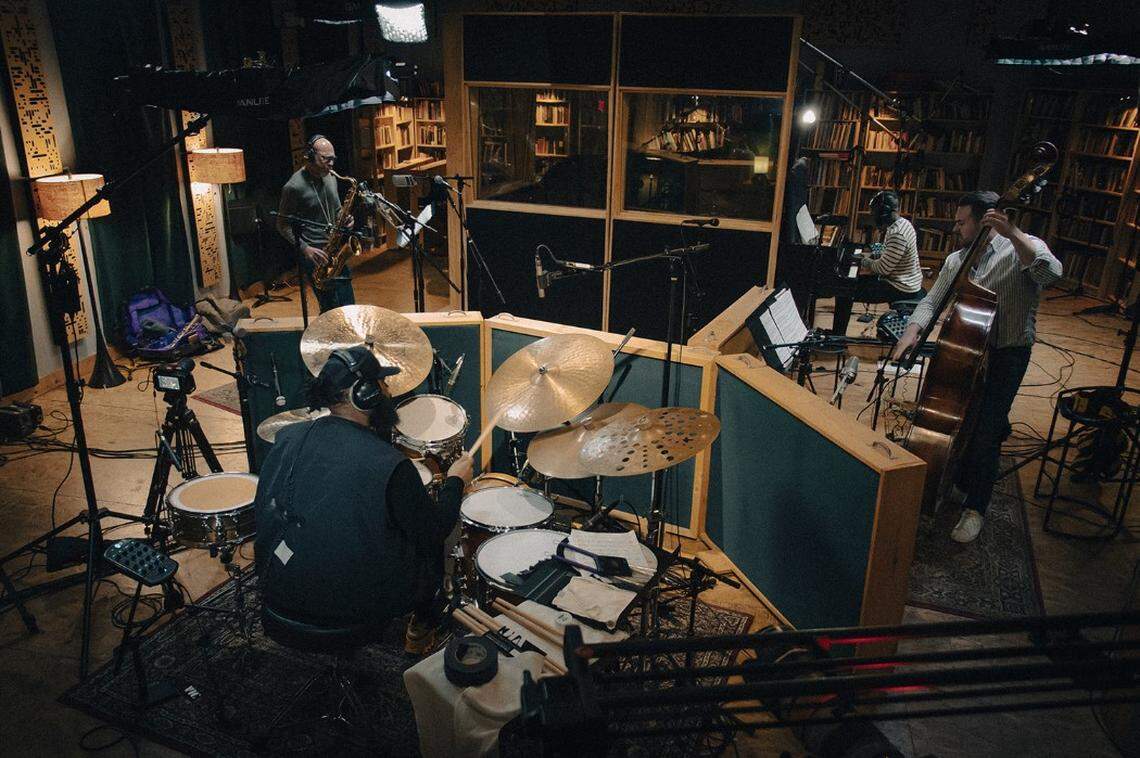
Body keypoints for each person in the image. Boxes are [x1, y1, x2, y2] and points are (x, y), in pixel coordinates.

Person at [253, 345, 475, 653]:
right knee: (429, 548)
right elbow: (434, 529)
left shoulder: (288, 437)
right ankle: (426, 624)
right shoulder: (388, 464)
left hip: (275, 592)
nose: (386, 390)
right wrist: (455, 481)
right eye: (381, 384)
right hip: (348, 612)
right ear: (364, 394)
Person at [892, 191, 1062, 544]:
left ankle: (976, 508)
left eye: (960, 222)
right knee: (962, 422)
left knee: (987, 431)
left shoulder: (1023, 249)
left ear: (985, 220)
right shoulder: (957, 260)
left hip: (1007, 354)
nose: (955, 228)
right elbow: (932, 300)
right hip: (965, 352)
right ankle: (958, 479)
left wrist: (1014, 234)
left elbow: (1051, 274)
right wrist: (911, 332)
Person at [276, 134, 356, 313]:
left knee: (349, 305)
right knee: (329, 309)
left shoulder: (331, 177)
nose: (331, 164)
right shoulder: (293, 187)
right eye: (326, 159)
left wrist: (346, 219)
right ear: (310, 157)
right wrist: (305, 249)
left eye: (333, 159)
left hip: (335, 250)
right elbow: (282, 224)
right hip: (315, 255)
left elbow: (335, 210)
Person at [831, 190, 925, 335]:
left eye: (876, 212)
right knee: (851, 283)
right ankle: (837, 334)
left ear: (883, 213)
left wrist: (865, 261)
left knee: (845, 291)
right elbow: (890, 253)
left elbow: (883, 269)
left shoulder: (897, 234)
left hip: (900, 287)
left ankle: (837, 336)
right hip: (904, 280)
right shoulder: (903, 223)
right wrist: (873, 255)